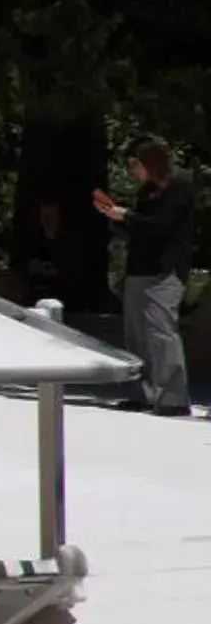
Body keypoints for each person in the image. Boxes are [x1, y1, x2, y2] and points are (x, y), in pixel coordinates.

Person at [94, 137, 196, 416]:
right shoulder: (147, 192)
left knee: (161, 334)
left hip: (164, 271)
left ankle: (173, 399)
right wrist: (117, 219)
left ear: (151, 162)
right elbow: (140, 230)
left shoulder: (180, 188)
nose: (133, 172)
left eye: (135, 165)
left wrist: (126, 215)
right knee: (136, 335)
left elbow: (161, 228)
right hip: (139, 270)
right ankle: (143, 394)